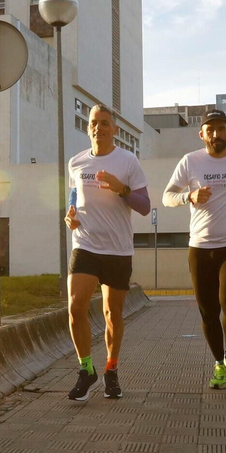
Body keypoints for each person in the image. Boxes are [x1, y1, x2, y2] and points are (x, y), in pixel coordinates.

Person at [163, 109, 226, 389]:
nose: (215, 134)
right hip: (200, 247)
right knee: (207, 311)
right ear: (202, 134)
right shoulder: (190, 162)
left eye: (220, 129)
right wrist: (189, 196)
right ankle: (219, 363)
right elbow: (167, 196)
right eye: (210, 130)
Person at [64, 104, 151, 401]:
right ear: (88, 127)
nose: (98, 127)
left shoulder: (128, 161)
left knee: (112, 314)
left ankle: (111, 371)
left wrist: (121, 188)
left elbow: (144, 206)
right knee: (75, 308)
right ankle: (85, 369)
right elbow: (74, 196)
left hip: (117, 250)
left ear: (114, 129)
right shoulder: (76, 162)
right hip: (85, 245)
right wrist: (70, 214)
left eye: (104, 123)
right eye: (93, 123)